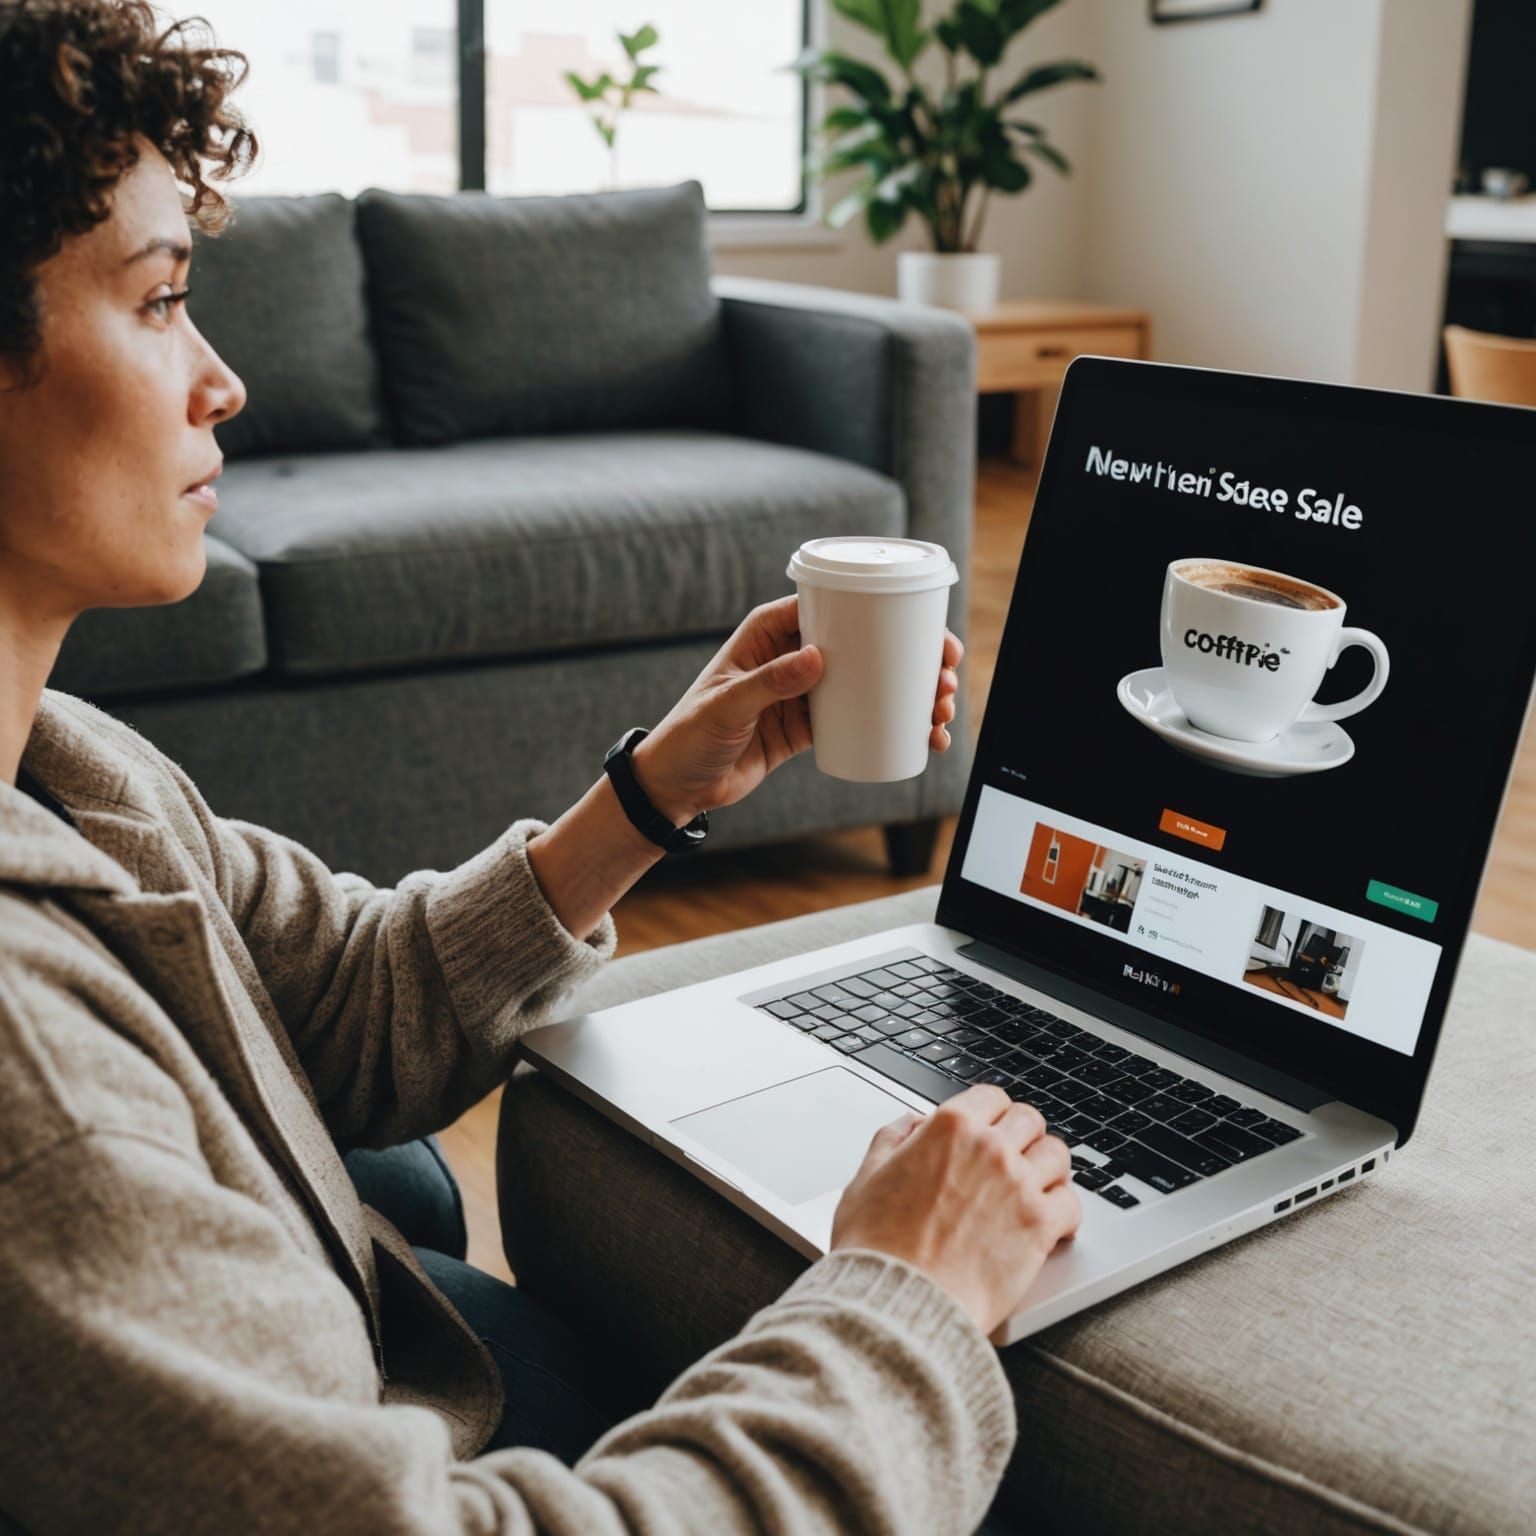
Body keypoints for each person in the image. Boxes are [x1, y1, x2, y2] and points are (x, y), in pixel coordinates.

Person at [0, 2, 1081, 1531]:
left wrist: (647, 799)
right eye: (163, 300)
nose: (225, 381)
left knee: (416, 1189)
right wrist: (901, 1295)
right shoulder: (32, 1098)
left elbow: (339, 1002)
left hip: (390, 1367)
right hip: (423, 1460)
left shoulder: (62, 764)